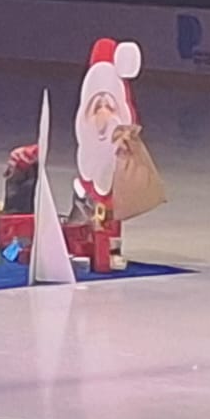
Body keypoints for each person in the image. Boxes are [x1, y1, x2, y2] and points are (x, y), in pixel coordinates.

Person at [73, 38, 142, 270]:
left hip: (111, 176)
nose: (103, 115)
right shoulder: (87, 155)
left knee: (111, 212)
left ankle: (111, 249)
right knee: (90, 205)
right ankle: (86, 245)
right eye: (97, 107)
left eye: (109, 107)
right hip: (92, 176)